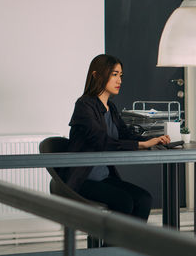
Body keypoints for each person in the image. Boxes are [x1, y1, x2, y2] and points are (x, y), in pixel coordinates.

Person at [58, 54, 171, 222]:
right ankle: (110, 248)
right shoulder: (84, 105)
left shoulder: (110, 106)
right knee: (124, 202)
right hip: (82, 179)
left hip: (103, 178)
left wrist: (154, 138)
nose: (120, 80)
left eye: (121, 75)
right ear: (96, 75)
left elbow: (125, 134)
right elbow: (101, 140)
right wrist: (142, 144)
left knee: (144, 199)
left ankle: (129, 247)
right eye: (114, 74)